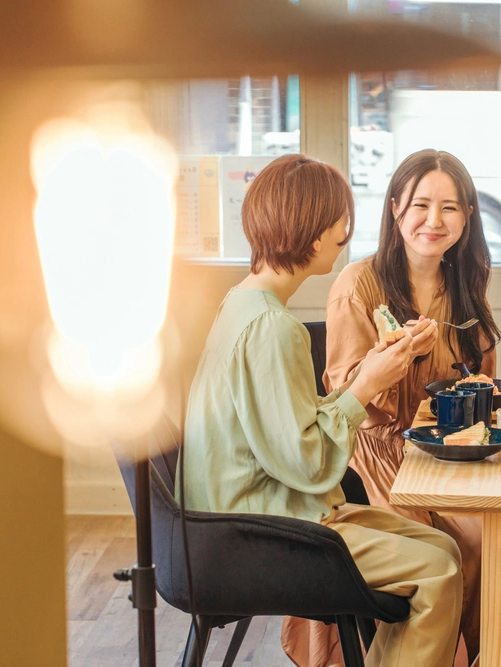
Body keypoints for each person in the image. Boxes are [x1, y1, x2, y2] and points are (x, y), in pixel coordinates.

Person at [180, 153, 465, 667]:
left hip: (253, 515)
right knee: (438, 571)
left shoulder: (242, 303)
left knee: (444, 550)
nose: (346, 230)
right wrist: (366, 387)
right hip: (258, 531)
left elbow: (289, 428)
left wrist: (367, 373)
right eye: (339, 219)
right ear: (310, 228)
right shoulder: (273, 327)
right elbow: (307, 461)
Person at [283, 149, 501, 667]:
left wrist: (479, 386)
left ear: (467, 217)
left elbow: (481, 377)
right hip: (374, 457)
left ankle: (485, 658)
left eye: (450, 208)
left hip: (447, 454)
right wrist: (402, 358)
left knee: (493, 540)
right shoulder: (358, 284)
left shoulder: (466, 283)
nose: (434, 220)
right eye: (421, 204)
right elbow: (344, 397)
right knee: (459, 549)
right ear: (396, 208)